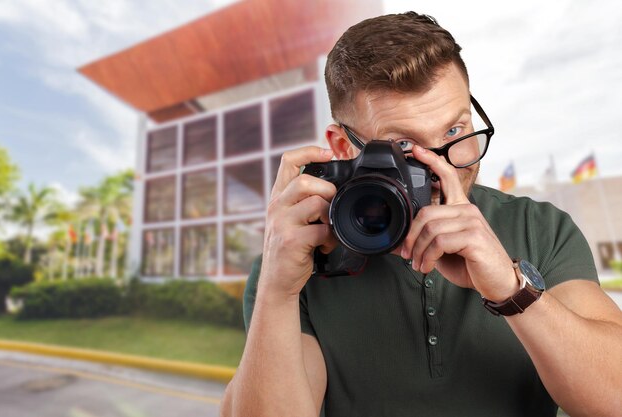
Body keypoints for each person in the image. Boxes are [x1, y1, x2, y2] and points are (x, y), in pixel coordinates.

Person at [220, 12, 622, 417]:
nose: (443, 168)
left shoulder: (541, 227)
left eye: (454, 132)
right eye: (404, 147)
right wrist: (277, 289)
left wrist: (510, 287)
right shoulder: (296, 258)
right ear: (343, 147)